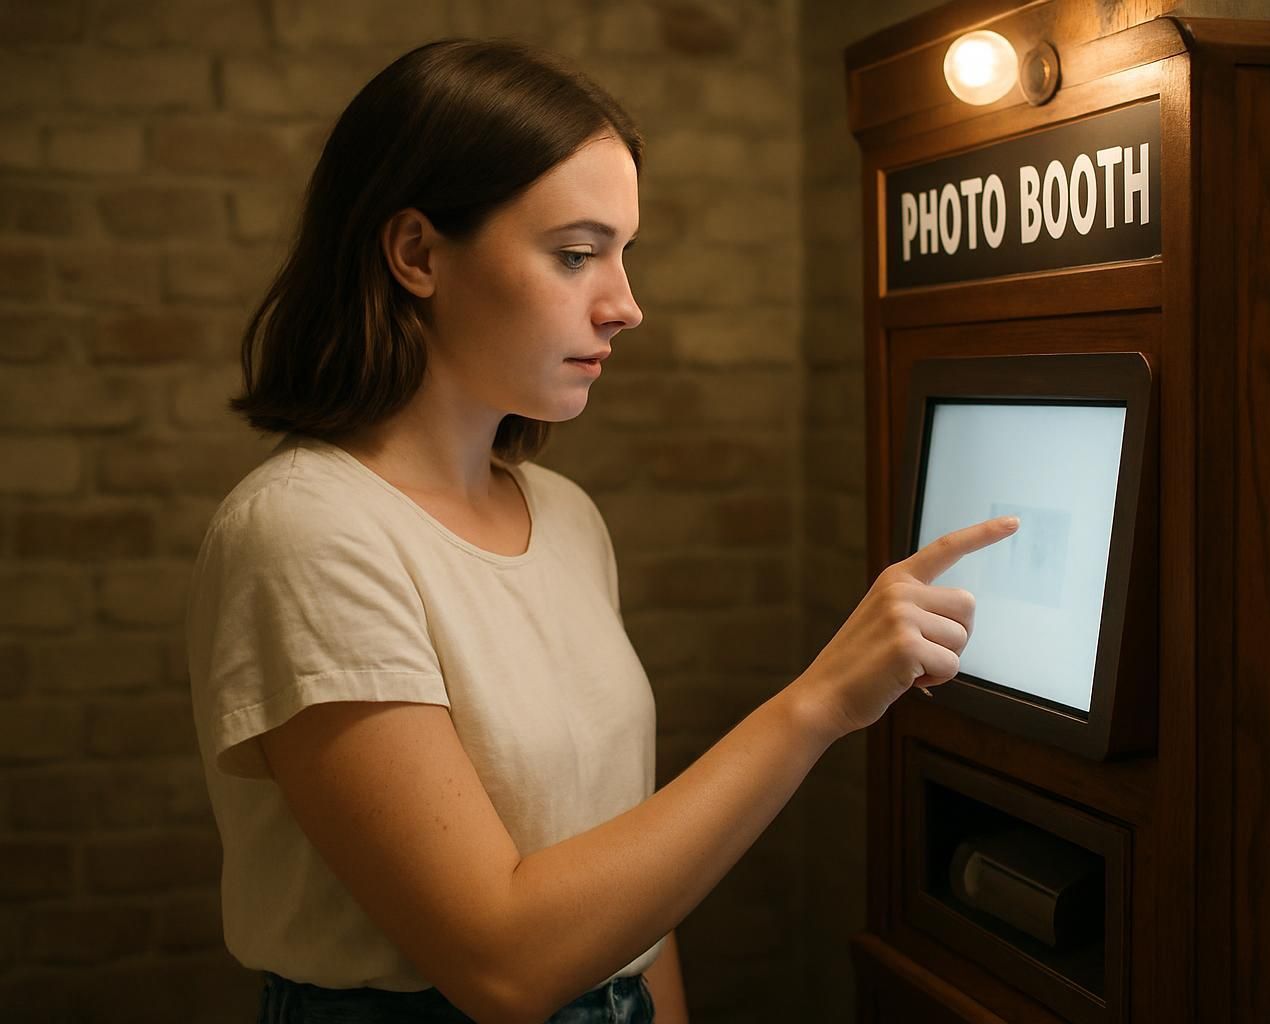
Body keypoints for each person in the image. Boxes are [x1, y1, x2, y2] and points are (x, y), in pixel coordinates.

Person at [183, 37, 1020, 1024]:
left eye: (624, 253)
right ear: (415, 252)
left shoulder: (566, 516)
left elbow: (627, 880)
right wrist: (820, 702)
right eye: (576, 254)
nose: (624, 305)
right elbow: (503, 966)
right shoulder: (307, 535)